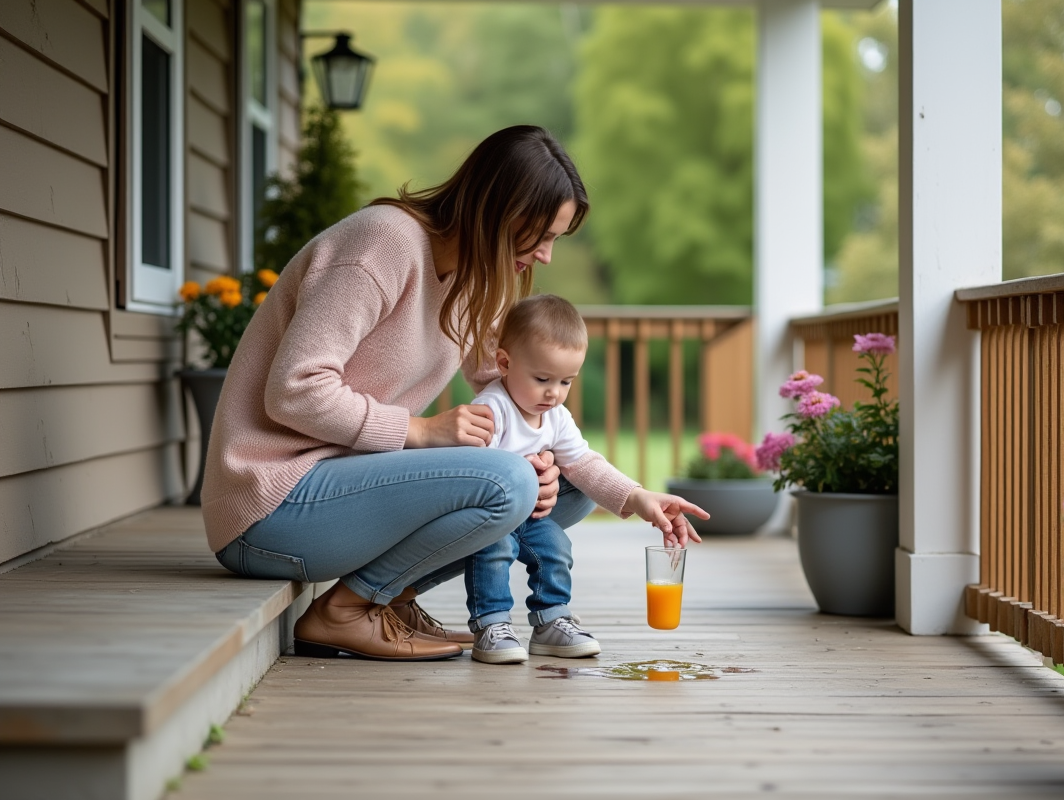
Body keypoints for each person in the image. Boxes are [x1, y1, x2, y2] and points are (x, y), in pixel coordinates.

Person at [201, 125, 705, 662]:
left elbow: (505, 382)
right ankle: (344, 610)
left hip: (345, 487)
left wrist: (630, 494)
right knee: (511, 480)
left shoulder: (473, 274)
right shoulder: (383, 244)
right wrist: (419, 430)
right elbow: (294, 390)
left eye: (555, 238)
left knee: (563, 483)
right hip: (272, 505)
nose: (546, 256)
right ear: (498, 210)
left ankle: (392, 598)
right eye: (540, 235)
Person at [465, 295, 706, 664]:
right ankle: (491, 624)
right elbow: (472, 473)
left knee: (556, 546)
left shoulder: (556, 415)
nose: (554, 392)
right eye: (542, 379)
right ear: (504, 363)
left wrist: (638, 497)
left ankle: (550, 621)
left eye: (566, 381)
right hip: (492, 519)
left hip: (530, 517)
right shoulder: (491, 409)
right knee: (493, 551)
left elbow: (584, 464)